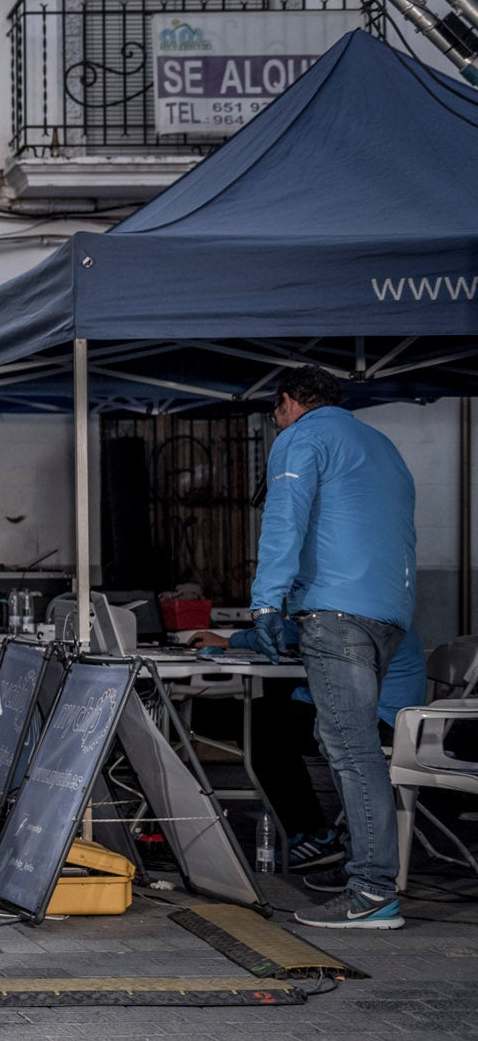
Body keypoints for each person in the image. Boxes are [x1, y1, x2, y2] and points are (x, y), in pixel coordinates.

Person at [248, 367, 417, 930]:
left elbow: (284, 518)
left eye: (275, 412)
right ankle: (361, 869)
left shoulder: (302, 436)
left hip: (336, 612)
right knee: (341, 737)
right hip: (389, 612)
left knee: (351, 749)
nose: (277, 422)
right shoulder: (381, 444)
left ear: (289, 402)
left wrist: (267, 600)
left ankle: (371, 890)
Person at [189, 623, 425, 870]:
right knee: (260, 716)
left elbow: (297, 631)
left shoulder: (352, 610)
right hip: (380, 714)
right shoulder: (377, 605)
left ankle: (315, 835)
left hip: (379, 722)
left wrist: (230, 641)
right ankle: (311, 832)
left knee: (261, 723)